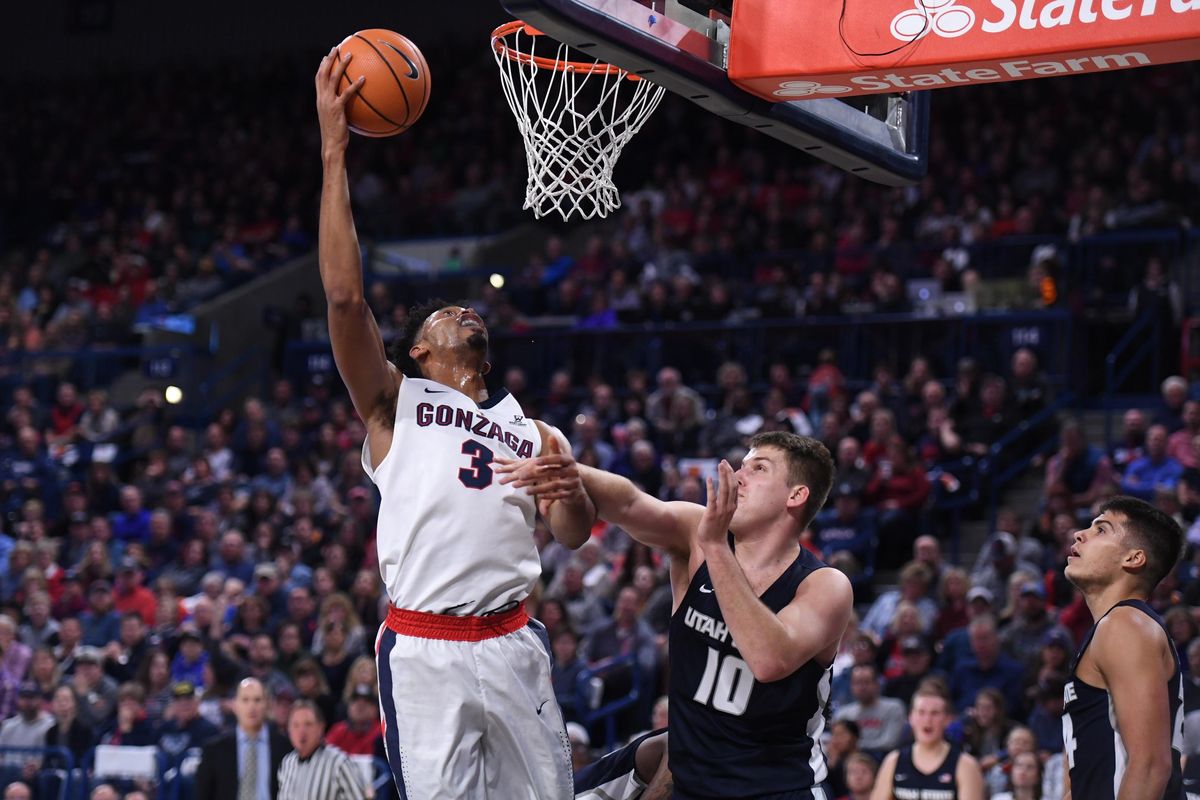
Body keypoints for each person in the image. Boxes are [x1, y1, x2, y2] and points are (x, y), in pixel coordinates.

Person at [315, 45, 593, 799]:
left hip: (512, 639)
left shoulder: (534, 431)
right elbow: (345, 300)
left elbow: (570, 532)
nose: (465, 309)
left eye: (469, 310)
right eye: (445, 312)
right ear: (416, 350)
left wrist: (568, 487)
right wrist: (335, 150)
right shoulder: (392, 401)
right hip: (425, 647)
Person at [505, 431, 853, 798]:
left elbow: (769, 659)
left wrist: (716, 547)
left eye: (759, 468)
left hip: (777, 788)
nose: (737, 476)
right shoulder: (696, 532)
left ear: (796, 496)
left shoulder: (824, 586)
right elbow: (628, 504)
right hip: (692, 782)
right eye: (741, 465)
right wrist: (571, 472)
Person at [1061, 496, 1185, 799]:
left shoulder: (1125, 625)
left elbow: (1151, 765)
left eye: (1101, 530)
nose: (1080, 534)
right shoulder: (1113, 628)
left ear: (1133, 558)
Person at [871, 682, 985, 800]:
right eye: (921, 712)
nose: (927, 720)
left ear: (947, 719)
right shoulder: (893, 762)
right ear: (911, 717)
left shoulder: (965, 765)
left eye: (934, 713)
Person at [195, 677, 292, 800]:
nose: (252, 706)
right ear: (235, 705)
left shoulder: (285, 747)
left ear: (267, 705)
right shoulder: (214, 750)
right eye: (245, 700)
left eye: (257, 700)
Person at [277, 700, 369, 800]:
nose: (302, 731)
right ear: (288, 730)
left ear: (321, 727)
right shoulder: (287, 763)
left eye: (308, 724)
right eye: (296, 725)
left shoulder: (339, 763)